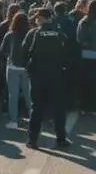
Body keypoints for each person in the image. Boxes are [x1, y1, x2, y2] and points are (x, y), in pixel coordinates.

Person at [24, 8, 72, 150]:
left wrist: (29, 68)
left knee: (37, 107)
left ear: (44, 18)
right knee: (59, 109)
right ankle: (61, 139)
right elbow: (68, 54)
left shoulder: (33, 33)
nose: (36, 20)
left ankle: (32, 139)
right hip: (56, 76)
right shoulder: (60, 34)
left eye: (38, 17)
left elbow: (25, 52)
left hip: (38, 76)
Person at [1, 12, 33, 129]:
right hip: (26, 67)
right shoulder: (31, 34)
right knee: (28, 94)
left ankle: (13, 121)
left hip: (12, 67)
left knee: (12, 95)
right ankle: (32, 117)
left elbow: (3, 50)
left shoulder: (10, 35)